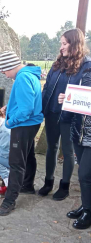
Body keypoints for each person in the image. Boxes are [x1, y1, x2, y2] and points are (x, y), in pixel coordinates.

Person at [39, 28, 91, 200]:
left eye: (64, 44)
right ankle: (48, 182)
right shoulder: (57, 64)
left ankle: (64, 186)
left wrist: (69, 97)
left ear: (74, 44)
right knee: (51, 148)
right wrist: (41, 107)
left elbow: (86, 94)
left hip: (71, 117)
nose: (61, 48)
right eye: (61, 44)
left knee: (68, 151)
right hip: (52, 113)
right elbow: (47, 88)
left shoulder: (86, 67)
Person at [0, 51, 43, 216]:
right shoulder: (29, 74)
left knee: (16, 162)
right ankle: (27, 185)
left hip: (24, 125)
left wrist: (9, 121)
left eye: (4, 70)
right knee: (28, 155)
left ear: (10, 66)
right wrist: (8, 108)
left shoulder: (22, 78)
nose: (4, 74)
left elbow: (26, 109)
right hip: (32, 123)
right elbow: (24, 100)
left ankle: (9, 201)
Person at [59, 69, 91, 229]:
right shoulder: (86, 73)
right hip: (80, 133)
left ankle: (88, 211)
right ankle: (86, 205)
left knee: (85, 174)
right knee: (84, 175)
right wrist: (66, 99)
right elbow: (77, 100)